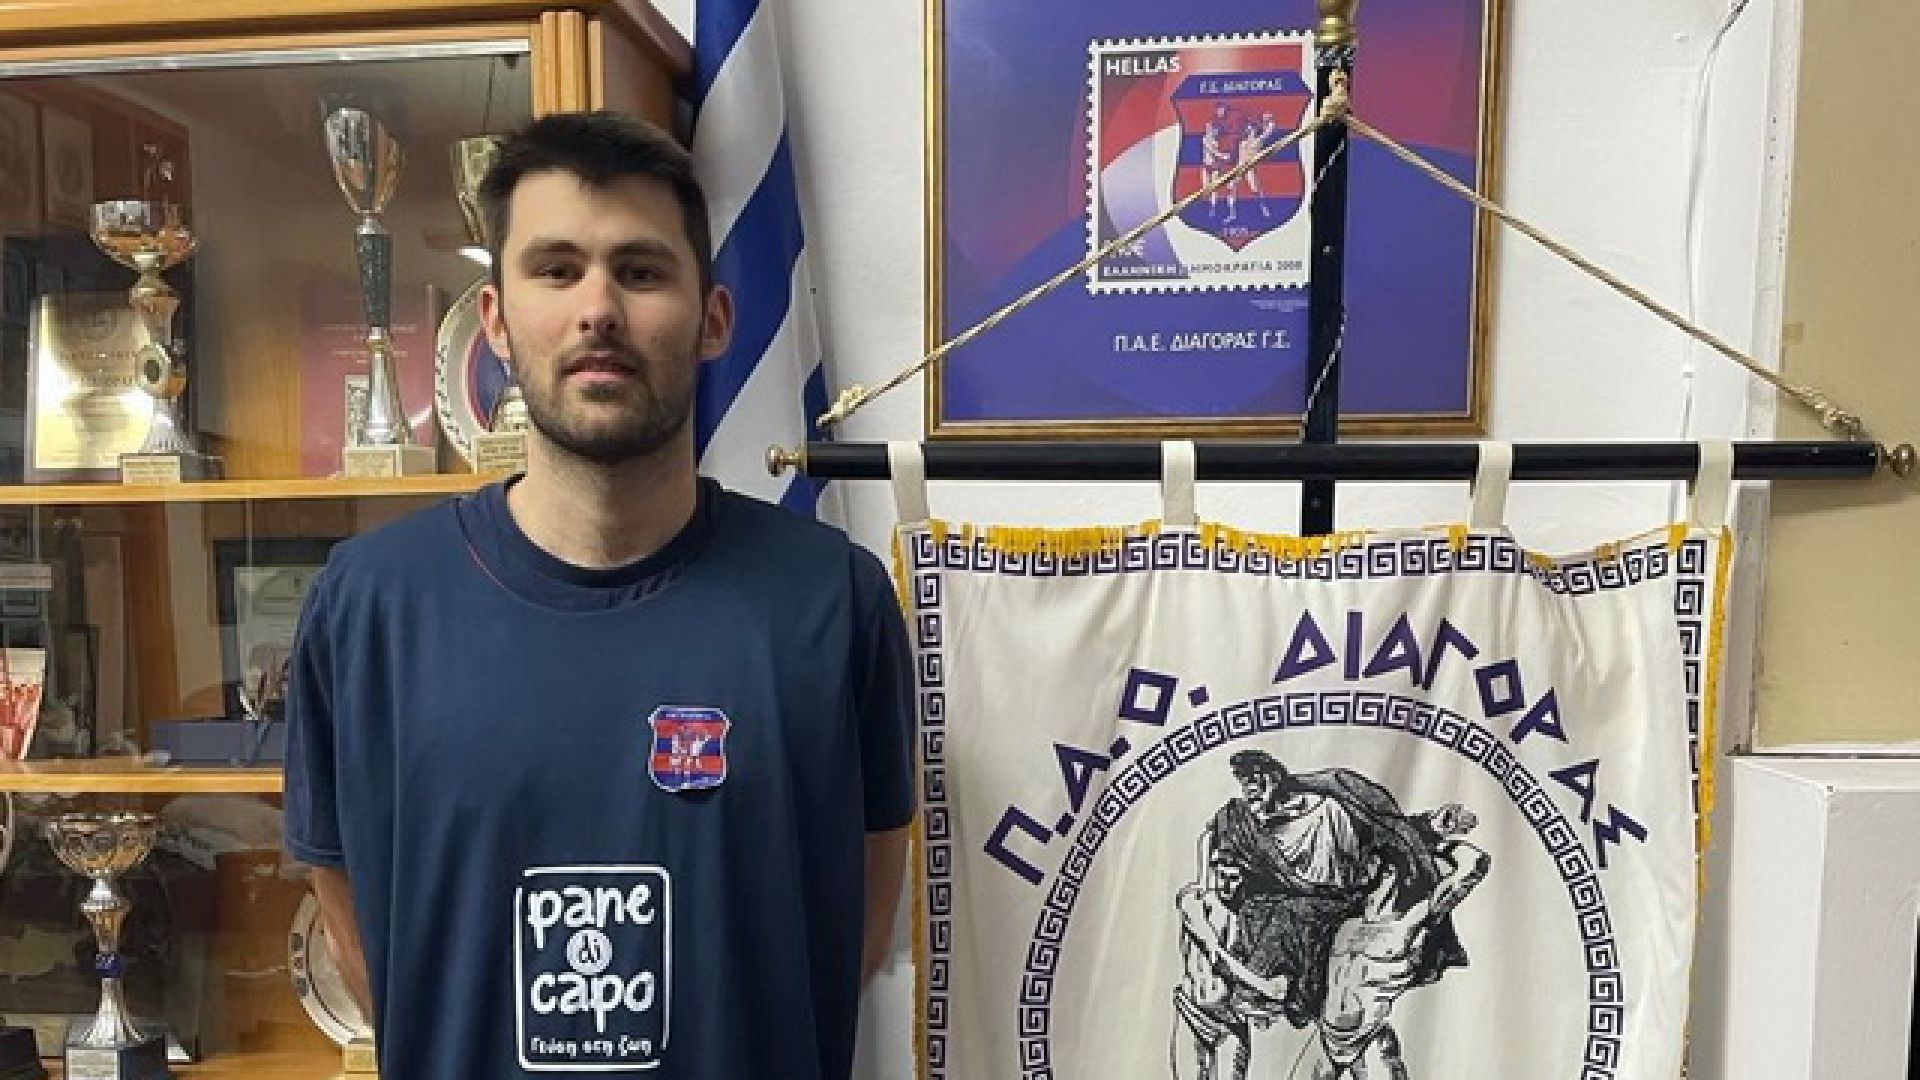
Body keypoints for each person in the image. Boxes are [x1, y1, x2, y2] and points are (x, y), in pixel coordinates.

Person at [282, 109, 915, 1079]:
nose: (599, 309)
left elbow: (853, 930)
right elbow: (359, 938)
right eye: (556, 269)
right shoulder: (369, 608)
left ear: (713, 319)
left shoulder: (833, 601)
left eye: (642, 270)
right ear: (496, 319)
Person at [1290, 840, 1491, 1080]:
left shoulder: (1408, 922)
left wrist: (1438, 845)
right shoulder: (1346, 920)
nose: (1364, 873)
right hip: (1330, 1037)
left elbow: (1477, 864)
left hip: (1361, 1036)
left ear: (1392, 874)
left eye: (1375, 868)